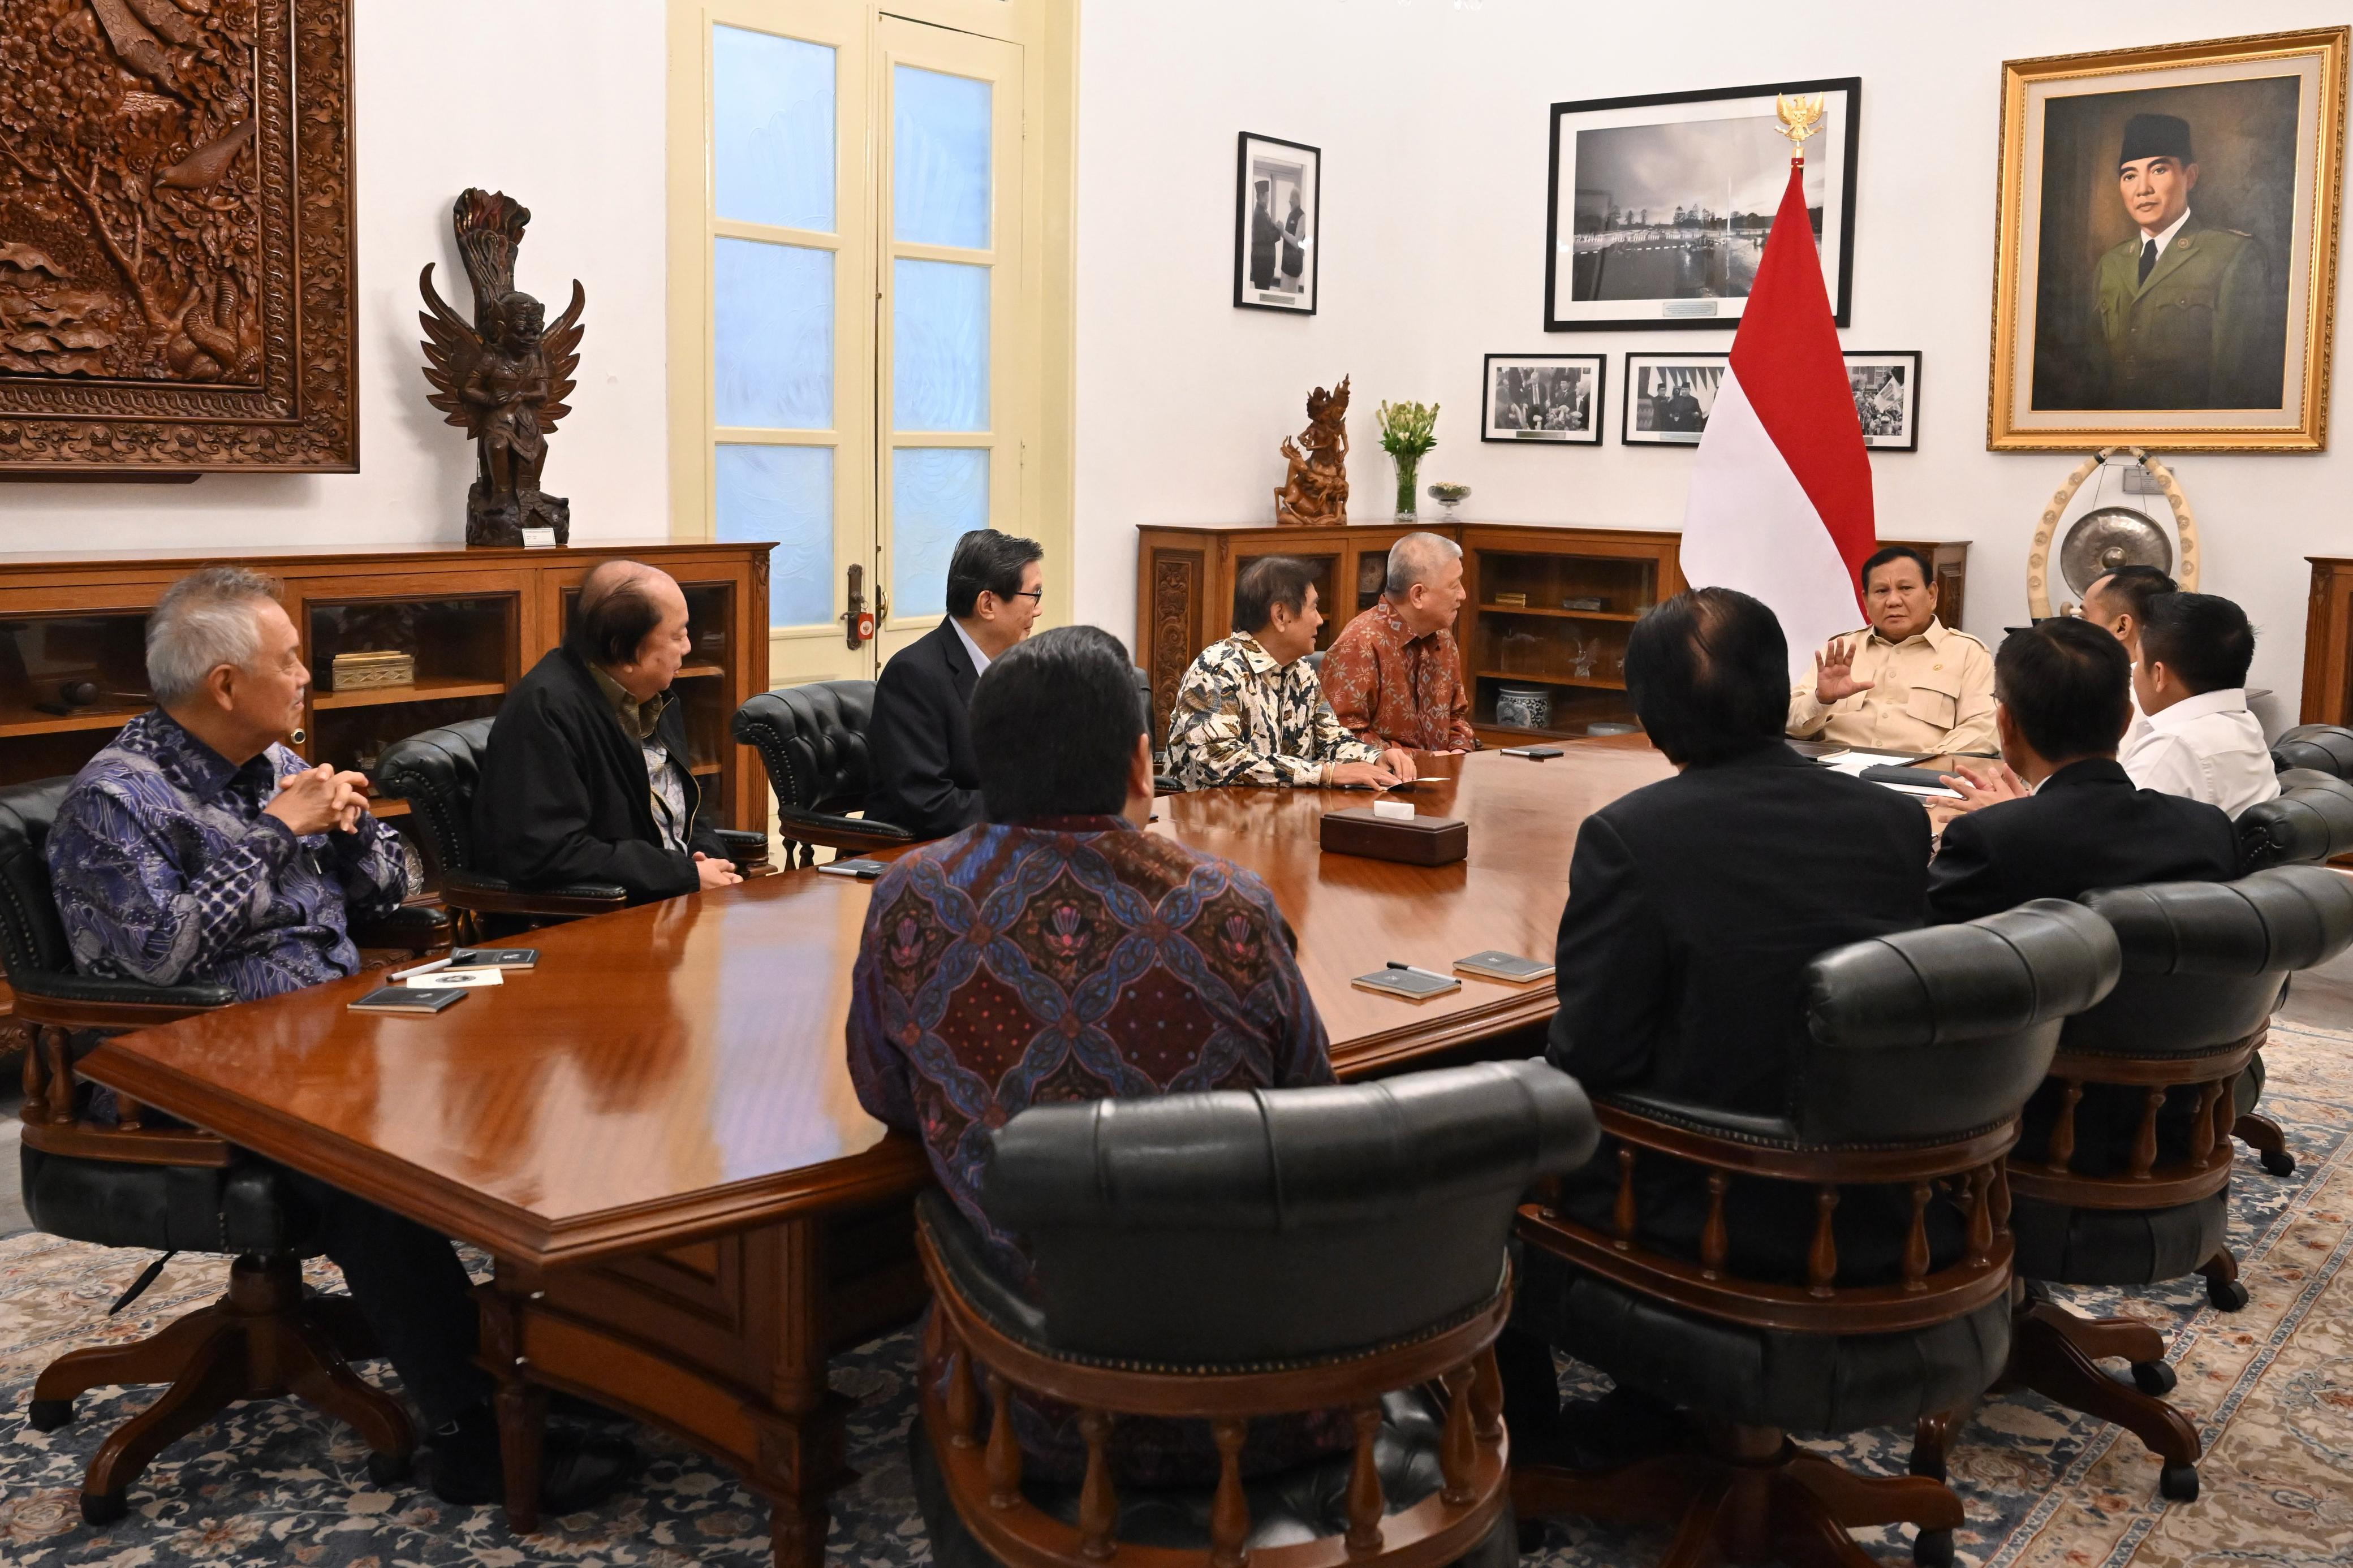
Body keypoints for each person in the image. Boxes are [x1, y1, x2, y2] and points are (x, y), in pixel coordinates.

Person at [46, 567, 632, 1511]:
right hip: (196, 1067)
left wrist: (357, 836)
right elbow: (158, 958)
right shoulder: (118, 799)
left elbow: (389, 889)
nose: (308, 676)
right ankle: (470, 1435)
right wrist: (278, 832)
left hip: (333, 1030)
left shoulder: (275, 764)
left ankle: (569, 1366)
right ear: (226, 683)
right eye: (289, 661)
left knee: (533, 1074)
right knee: (379, 1169)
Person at [847, 625, 1341, 1485]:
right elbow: (1310, 1103)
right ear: (1142, 763)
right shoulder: (1230, 904)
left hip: (1037, 1372)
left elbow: (885, 1093)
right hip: (1257, 1367)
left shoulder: (912, 897)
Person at [1499, 588, 1936, 1462]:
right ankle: (1657, 1395)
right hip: (1894, 1192)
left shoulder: (1632, 835)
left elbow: (1591, 1056)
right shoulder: (1895, 820)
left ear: (1650, 717)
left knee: (1493, 1157)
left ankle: (1538, 1449)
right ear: (1781, 690)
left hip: (1718, 1199)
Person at [1928, 617, 2238, 922]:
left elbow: (1923, 957)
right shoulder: (2210, 829)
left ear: (2006, 723)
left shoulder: (1988, 840)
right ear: (2126, 720)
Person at [475, 559, 741, 904]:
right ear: (622, 649)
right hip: (596, 920)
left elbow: (682, 808)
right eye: (677, 636)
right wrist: (682, 874)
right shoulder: (546, 712)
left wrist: (705, 856)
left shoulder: (652, 697)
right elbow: (548, 853)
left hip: (672, 901)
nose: (688, 648)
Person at [1165, 556, 1414, 789]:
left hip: (1277, 816)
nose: (1319, 620)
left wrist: (1376, 759)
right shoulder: (1217, 670)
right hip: (1205, 822)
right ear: (1280, 616)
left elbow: (1330, 741)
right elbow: (1222, 762)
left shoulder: (1300, 671)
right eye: (1313, 608)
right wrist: (1325, 773)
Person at [2091, 113, 2281, 411]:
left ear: (2190, 177)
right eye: (2129, 176)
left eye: (2159, 170)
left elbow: (2235, 384)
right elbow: (2097, 374)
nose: (2143, 189)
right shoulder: (2111, 264)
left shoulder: (2234, 256)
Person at [866, 528, 1044, 839]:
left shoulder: (1018, 668)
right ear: (987, 604)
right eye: (1034, 595)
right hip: (917, 858)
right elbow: (928, 804)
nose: (1038, 609)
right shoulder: (914, 675)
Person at [1787, 545, 1996, 755]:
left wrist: (1924, 764)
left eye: (1905, 588)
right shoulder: (1840, 651)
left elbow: (1982, 731)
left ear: (1932, 594)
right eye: (1881, 591)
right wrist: (1822, 699)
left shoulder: (1968, 653)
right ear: (1866, 602)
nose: (1893, 601)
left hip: (1921, 779)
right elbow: (1789, 725)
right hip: (1834, 772)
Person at [2118, 591, 2279, 818]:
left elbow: (2109, 834)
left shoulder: (2172, 749)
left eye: (2138, 661)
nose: (2134, 671)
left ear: (2158, 675)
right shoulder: (2246, 724)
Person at [1320, 532, 1476, 753]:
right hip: (1382, 785)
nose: (1463, 595)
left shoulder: (1443, 637)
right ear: (1418, 595)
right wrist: (1424, 759)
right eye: (1454, 585)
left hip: (1443, 778)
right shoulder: (1360, 643)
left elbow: (1456, 717)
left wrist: (1458, 752)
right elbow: (1339, 738)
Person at [1248, 179, 1281, 293]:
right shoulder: (1259, 214)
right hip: (1262, 266)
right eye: (1267, 196)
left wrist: (1276, 227)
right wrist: (1280, 231)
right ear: (1261, 196)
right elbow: (1269, 238)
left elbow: (1269, 230)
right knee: (1262, 294)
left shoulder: (1262, 212)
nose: (1269, 199)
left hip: (1264, 264)